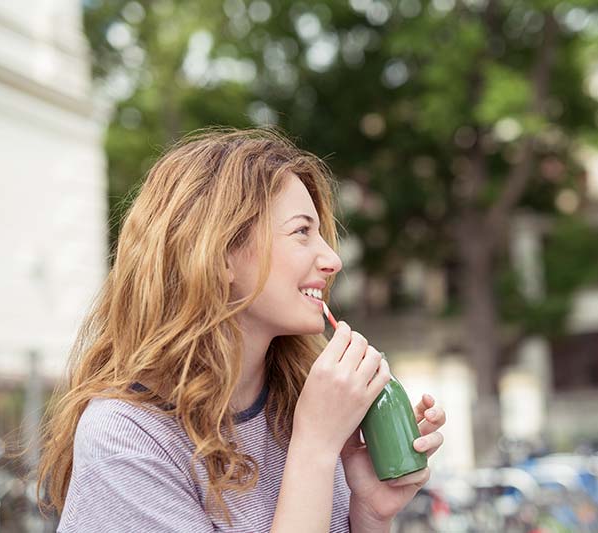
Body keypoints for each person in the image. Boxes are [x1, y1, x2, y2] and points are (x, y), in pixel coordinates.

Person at [37, 128, 446, 532]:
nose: (332, 260)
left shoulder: (300, 405)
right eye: (302, 231)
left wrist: (370, 515)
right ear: (219, 256)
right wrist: (315, 448)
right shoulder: (127, 439)